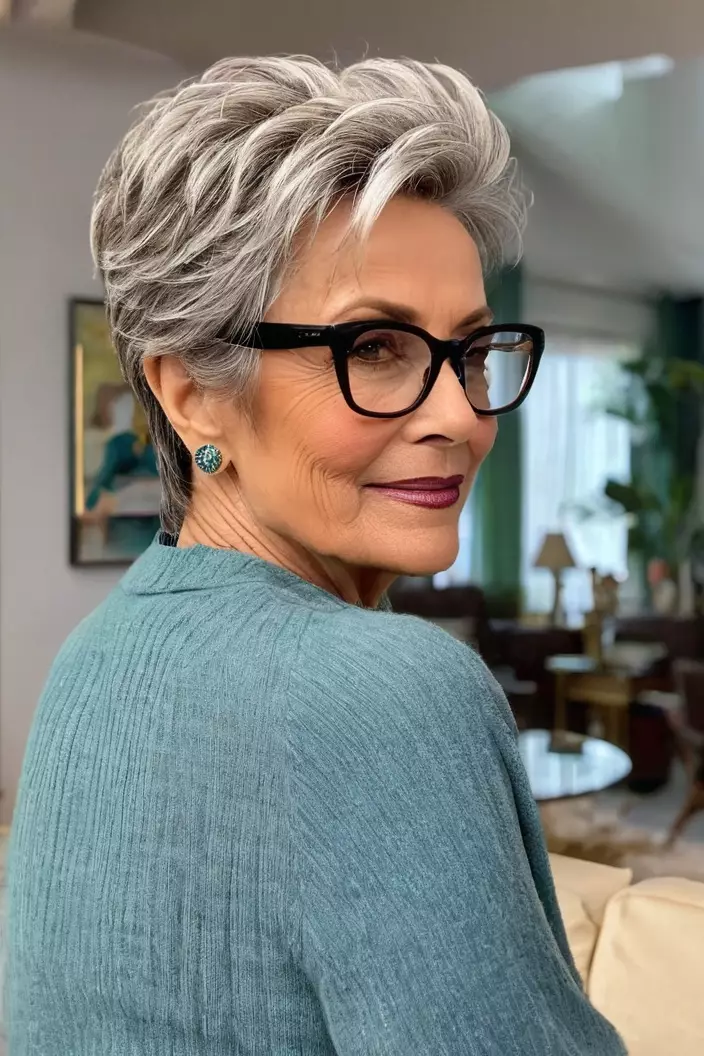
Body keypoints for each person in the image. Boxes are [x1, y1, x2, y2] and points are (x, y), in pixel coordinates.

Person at [7, 56, 625, 1054]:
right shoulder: (387, 691)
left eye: (472, 352)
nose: (461, 416)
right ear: (193, 394)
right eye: (373, 348)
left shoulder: (92, 660)